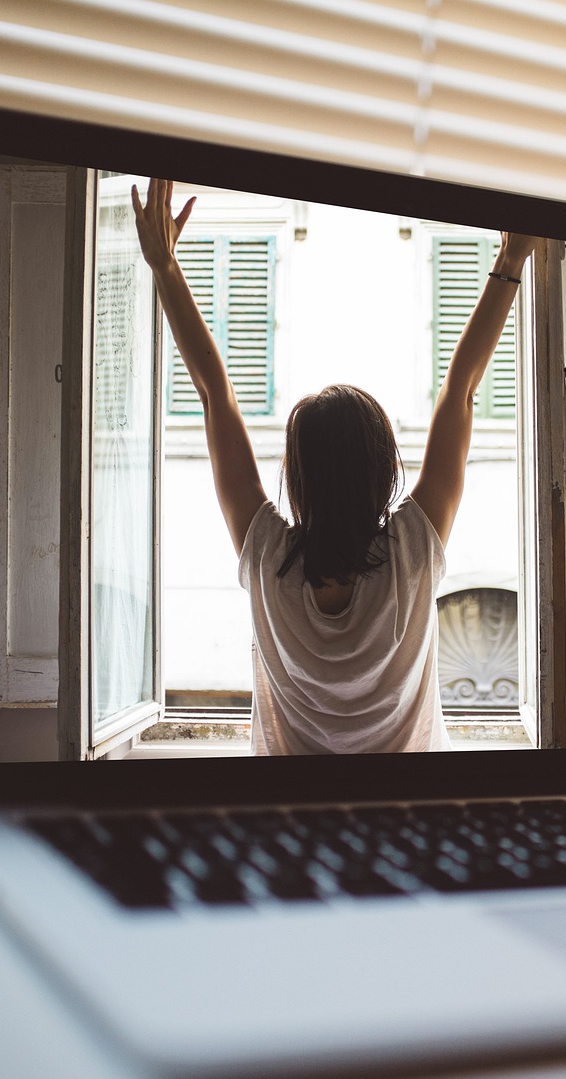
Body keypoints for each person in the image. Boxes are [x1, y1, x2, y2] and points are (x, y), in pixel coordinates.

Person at [132, 177, 536, 754]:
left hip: (291, 832)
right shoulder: (414, 552)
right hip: (408, 829)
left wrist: (166, 268)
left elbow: (213, 391)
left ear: (297, 476)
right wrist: (510, 259)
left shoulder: (268, 555)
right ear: (383, 471)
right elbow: (462, 391)